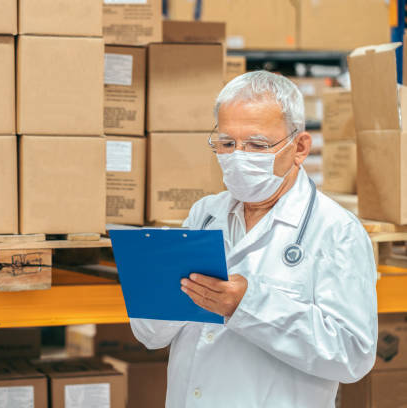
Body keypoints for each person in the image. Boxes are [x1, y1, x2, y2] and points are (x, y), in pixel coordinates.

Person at [130, 71, 378, 407]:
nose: (238, 157)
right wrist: (158, 288)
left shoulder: (336, 231)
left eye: (257, 145)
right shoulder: (204, 213)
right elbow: (150, 335)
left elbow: (353, 355)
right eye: (227, 144)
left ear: (300, 147)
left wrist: (248, 306)